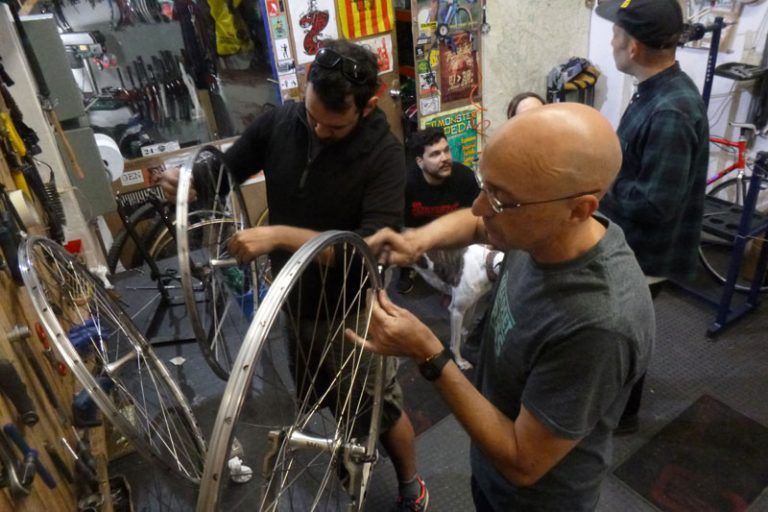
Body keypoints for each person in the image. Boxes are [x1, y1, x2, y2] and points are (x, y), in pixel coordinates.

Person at [158, 39, 429, 511]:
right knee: (325, 397)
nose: (320, 130)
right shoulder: (281, 122)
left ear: (368, 105)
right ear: (305, 86)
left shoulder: (384, 157)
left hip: (353, 312)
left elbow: (367, 252)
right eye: (313, 116)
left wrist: (280, 235)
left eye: (335, 126)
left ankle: (411, 486)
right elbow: (226, 171)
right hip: (293, 302)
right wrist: (192, 182)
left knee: (379, 411)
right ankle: (349, 454)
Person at [347, 103, 655, 511]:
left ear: (579, 209)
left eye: (500, 199)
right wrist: (417, 241)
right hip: (490, 466)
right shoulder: (538, 228)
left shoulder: (599, 325)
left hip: (533, 501)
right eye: (484, 186)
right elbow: (478, 223)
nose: (479, 206)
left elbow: (522, 462)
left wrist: (428, 352)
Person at [596, 0, 709, 434]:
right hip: (630, 244)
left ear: (634, 46)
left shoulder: (670, 111)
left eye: (616, 33)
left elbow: (658, 204)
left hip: (644, 255)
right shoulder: (654, 90)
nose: (611, 40)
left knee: (623, 333)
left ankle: (622, 415)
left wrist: (604, 183)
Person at [397, 126, 480, 293]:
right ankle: (408, 269)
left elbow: (476, 216)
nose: (445, 158)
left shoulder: (464, 177)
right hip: (418, 235)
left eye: (446, 150)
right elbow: (397, 224)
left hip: (453, 234)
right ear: (420, 162)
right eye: (435, 154)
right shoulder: (405, 184)